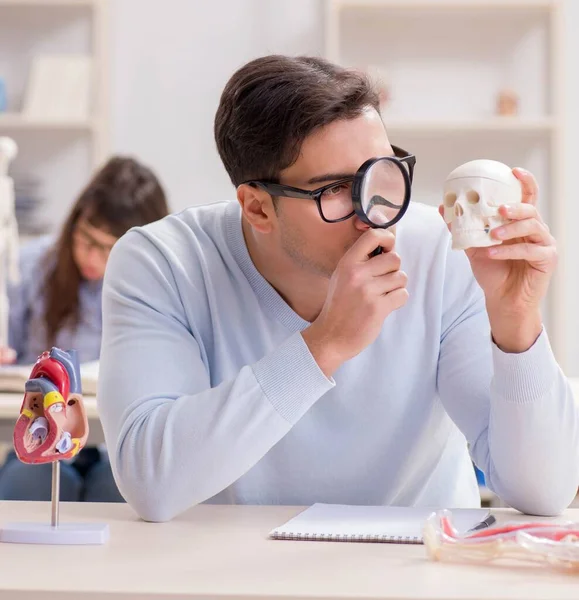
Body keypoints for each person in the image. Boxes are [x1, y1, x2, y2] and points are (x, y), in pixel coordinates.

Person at [97, 55, 579, 522]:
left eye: (382, 173)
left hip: (416, 571)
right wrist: (323, 346)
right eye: (334, 190)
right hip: (239, 573)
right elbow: (151, 484)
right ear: (258, 208)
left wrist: (517, 320)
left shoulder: (440, 250)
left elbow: (545, 491)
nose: (375, 212)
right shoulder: (163, 263)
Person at [0, 155, 170, 501]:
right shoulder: (31, 266)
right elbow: (9, 349)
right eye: (88, 240)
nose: (94, 258)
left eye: (111, 249)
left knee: (119, 487)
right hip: (41, 429)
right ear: (74, 223)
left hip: (117, 442)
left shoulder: (159, 289)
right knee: (29, 482)